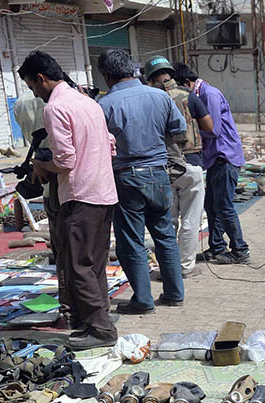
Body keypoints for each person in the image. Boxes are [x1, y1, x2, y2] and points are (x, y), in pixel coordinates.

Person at [18, 50, 118, 350]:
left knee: (78, 265)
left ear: (41, 78)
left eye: (33, 87)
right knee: (94, 263)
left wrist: (40, 166)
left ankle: (100, 330)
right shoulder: (87, 102)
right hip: (103, 192)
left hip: (81, 195)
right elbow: (110, 145)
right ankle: (98, 319)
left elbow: (65, 162)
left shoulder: (56, 107)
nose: (35, 95)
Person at [96, 48, 186, 315]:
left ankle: (144, 300)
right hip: (158, 173)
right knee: (165, 235)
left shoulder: (104, 105)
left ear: (106, 75)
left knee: (131, 240)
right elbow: (178, 131)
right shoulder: (159, 96)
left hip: (127, 176)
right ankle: (174, 293)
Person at [179, 64, 250, 265]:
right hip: (215, 159)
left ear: (187, 83)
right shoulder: (201, 95)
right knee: (211, 205)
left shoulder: (209, 95)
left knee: (224, 205)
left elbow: (213, 130)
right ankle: (217, 247)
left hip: (225, 156)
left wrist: (189, 135)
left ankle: (240, 249)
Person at [144, 57, 203, 278]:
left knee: (167, 220)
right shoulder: (188, 95)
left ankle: (168, 268)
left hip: (163, 166)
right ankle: (186, 267)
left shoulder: (149, 99)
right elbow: (208, 124)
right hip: (190, 163)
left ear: (150, 77)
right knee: (190, 218)